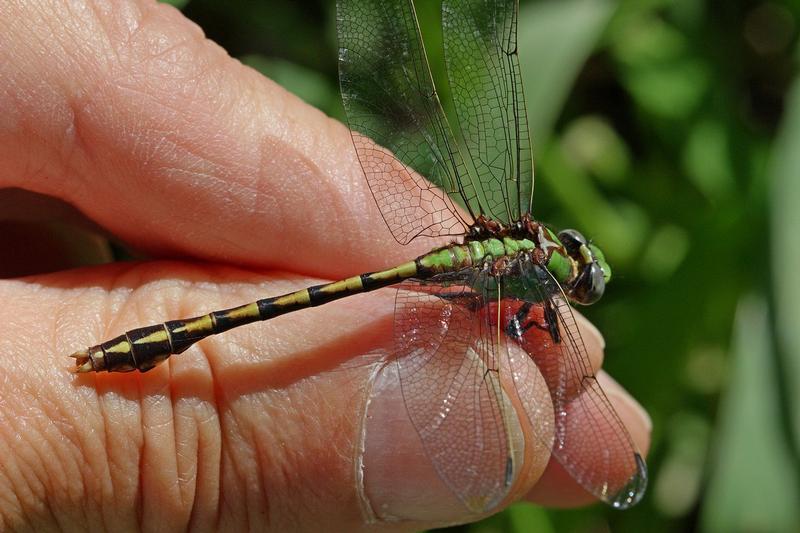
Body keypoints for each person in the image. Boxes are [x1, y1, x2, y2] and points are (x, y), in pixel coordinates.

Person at [0, 1, 650, 530]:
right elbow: (526, 324)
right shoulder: (540, 298)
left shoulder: (520, 260)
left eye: (577, 269)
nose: (572, 268)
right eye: (576, 270)